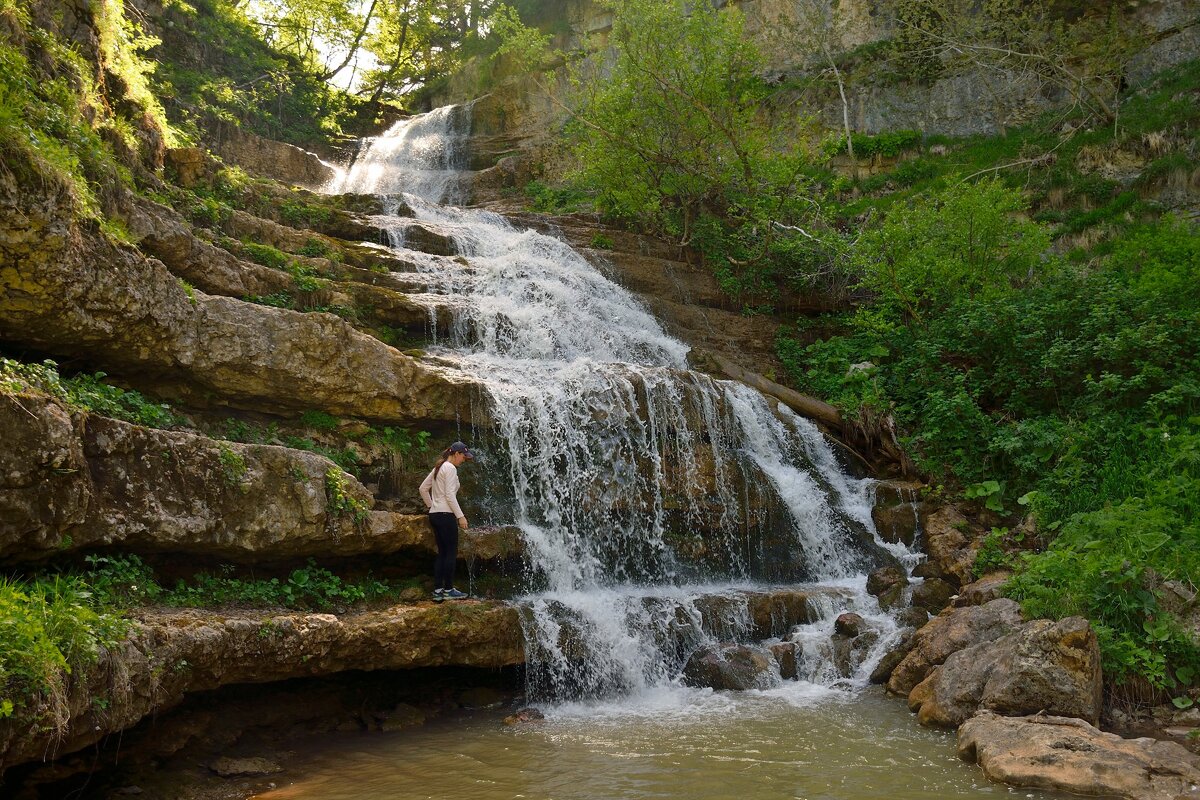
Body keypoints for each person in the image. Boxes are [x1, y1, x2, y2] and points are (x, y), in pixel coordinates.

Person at [418, 441, 474, 601]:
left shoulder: (439, 467)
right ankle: (449, 589)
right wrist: (460, 516)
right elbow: (450, 495)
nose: (464, 460)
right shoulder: (450, 468)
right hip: (446, 515)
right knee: (450, 553)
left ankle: (438, 591)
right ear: (456, 454)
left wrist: (432, 506)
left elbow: (422, 488)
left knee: (442, 553)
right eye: (463, 456)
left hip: (435, 515)